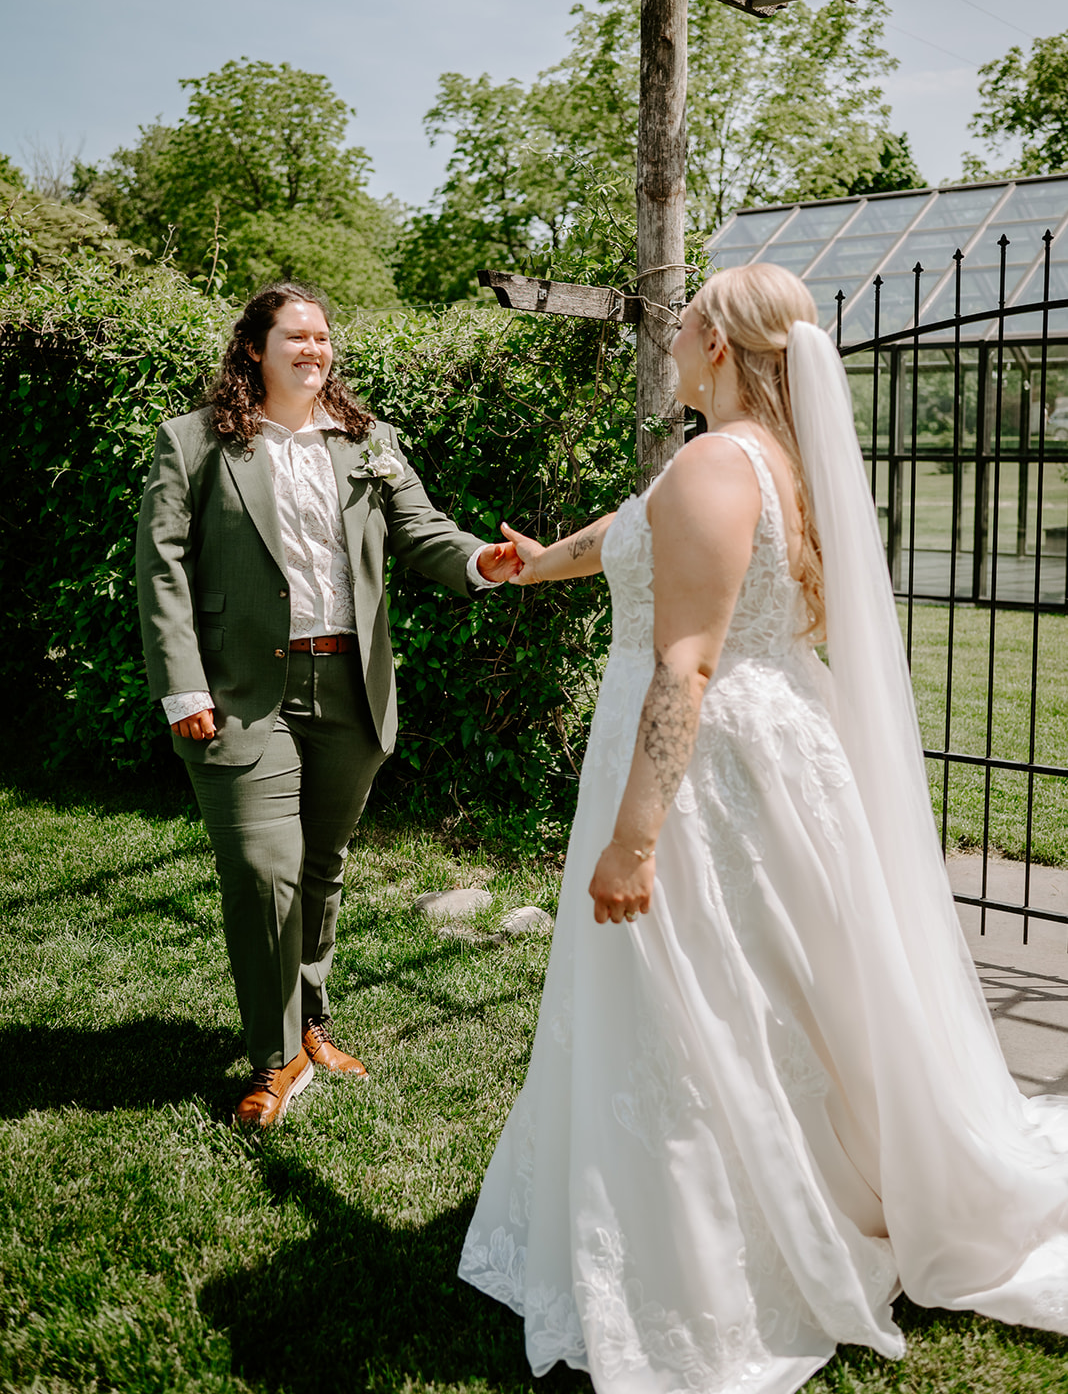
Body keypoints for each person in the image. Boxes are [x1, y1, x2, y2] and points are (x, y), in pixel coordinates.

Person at [459, 262, 1068, 1392]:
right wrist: (538, 564)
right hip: (779, 746)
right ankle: (829, 1179)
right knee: (786, 987)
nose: (674, 340)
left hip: (705, 775)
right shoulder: (766, 461)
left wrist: (636, 838)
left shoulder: (711, 464)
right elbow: (638, 530)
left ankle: (720, 1238)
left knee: (701, 994)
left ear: (722, 350)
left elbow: (684, 663)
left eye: (685, 325)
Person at [136, 281, 517, 1127]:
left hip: (350, 684)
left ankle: (311, 1026)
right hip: (240, 696)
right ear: (254, 350)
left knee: (319, 869)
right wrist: (183, 686)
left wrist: (479, 563)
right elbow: (161, 568)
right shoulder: (194, 444)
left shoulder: (366, 439)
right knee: (261, 871)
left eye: (322, 337)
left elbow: (423, 530)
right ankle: (273, 1061)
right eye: (295, 337)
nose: (314, 350)